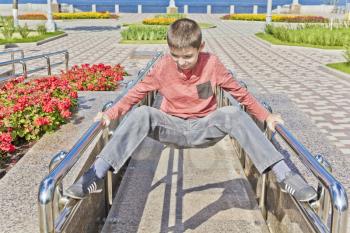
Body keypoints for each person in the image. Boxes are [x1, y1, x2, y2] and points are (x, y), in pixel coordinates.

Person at [66, 18, 316, 202]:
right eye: (176, 56)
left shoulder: (213, 64)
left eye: (187, 56)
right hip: (171, 127)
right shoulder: (163, 67)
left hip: (204, 127)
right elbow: (135, 94)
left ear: (200, 47)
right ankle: (94, 177)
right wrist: (110, 114)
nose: (181, 63)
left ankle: (286, 177)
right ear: (169, 49)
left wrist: (267, 116)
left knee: (232, 113)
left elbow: (240, 93)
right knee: (142, 113)